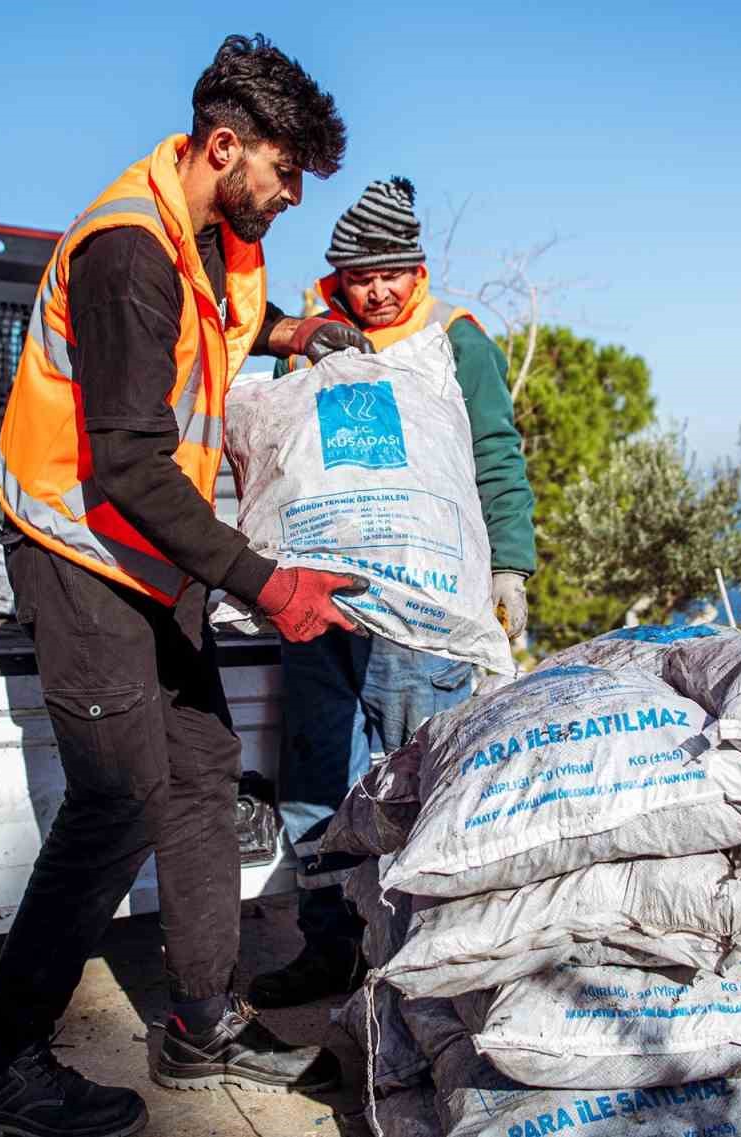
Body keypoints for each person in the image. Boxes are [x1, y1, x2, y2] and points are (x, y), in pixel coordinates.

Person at [0, 35, 375, 1137]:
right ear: (223, 146)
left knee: (199, 773)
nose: (287, 200)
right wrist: (265, 583)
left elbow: (229, 336)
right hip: (79, 551)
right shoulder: (128, 253)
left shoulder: (214, 245)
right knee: (116, 801)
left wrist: (303, 334)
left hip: (152, 556)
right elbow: (130, 460)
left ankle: (197, 1024)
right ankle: (2, 1066)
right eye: (284, 175)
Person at [247, 177, 537, 1009]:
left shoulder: (457, 341)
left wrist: (506, 565)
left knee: (417, 779)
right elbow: (274, 449)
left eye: (392, 274)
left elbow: (495, 454)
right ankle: (328, 947)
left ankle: (418, 965)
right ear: (338, 276)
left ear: (419, 271)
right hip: (320, 601)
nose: (376, 291)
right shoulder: (308, 337)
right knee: (317, 781)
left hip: (421, 615)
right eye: (359, 276)